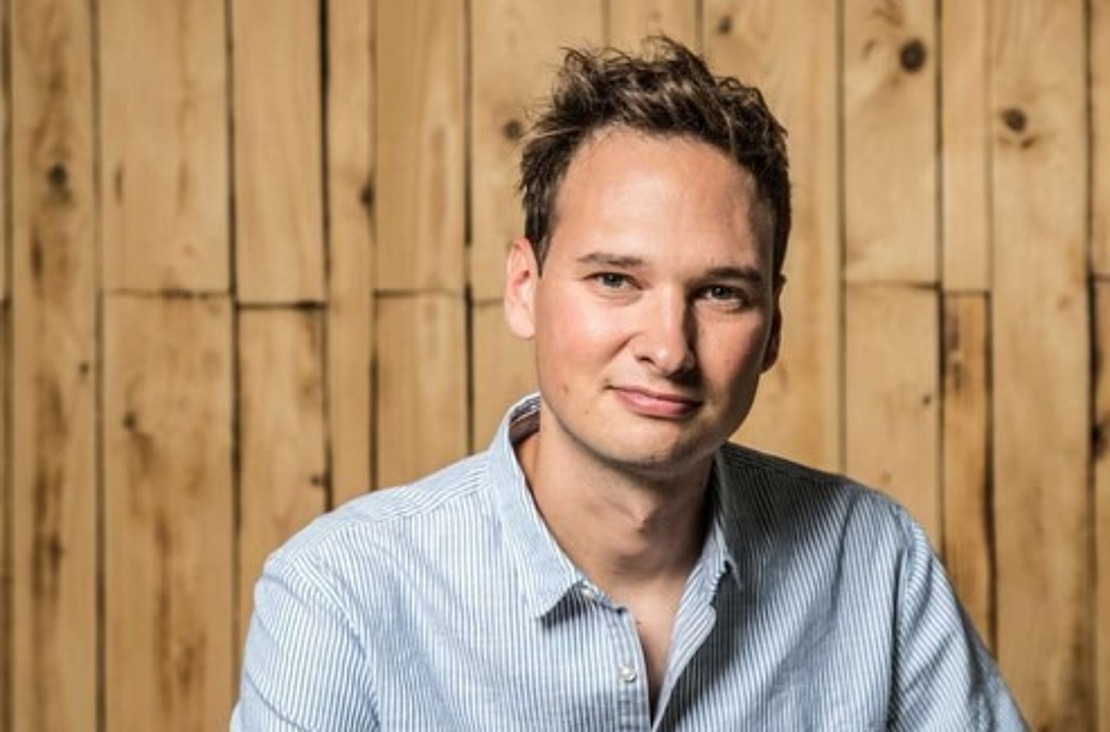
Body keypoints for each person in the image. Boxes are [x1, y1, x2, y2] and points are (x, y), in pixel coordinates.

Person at [232, 38, 1025, 730]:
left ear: (774, 326)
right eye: (615, 280)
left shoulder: (875, 563)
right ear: (524, 288)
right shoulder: (341, 595)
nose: (669, 348)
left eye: (720, 293)